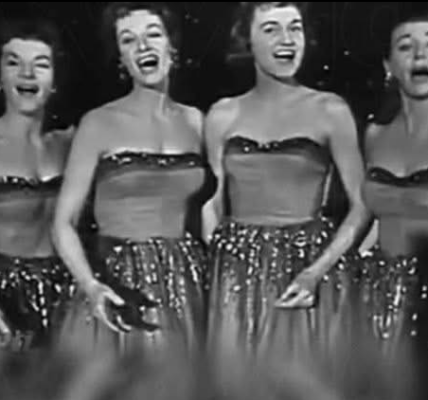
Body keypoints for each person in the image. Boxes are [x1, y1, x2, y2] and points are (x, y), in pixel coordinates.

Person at [203, 1, 369, 366]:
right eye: (271, 29)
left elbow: (362, 205)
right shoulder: (222, 114)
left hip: (307, 267)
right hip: (236, 271)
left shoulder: (330, 110)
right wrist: (222, 264)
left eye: (295, 28)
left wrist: (316, 272)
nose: (287, 39)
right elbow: (212, 201)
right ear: (247, 40)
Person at [53, 2, 206, 355]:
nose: (143, 47)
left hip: (185, 280)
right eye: (128, 40)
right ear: (120, 58)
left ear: (172, 46)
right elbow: (63, 223)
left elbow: (209, 208)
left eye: (153, 34)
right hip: (117, 281)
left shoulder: (196, 121)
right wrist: (91, 286)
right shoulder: (98, 123)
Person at [361, 5, 428, 372]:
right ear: (388, 65)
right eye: (406, 46)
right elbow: (377, 214)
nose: (420, 55)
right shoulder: (375, 134)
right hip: (381, 292)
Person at [0, 17, 74, 350]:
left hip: (67, 300)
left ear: (55, 79)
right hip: (6, 306)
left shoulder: (70, 143)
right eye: (14, 63)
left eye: (41, 64)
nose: (27, 74)